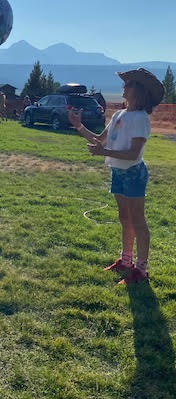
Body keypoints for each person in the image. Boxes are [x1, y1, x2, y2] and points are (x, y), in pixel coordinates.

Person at [68, 68, 164, 285]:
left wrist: (104, 153)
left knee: (138, 220)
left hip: (133, 173)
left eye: (128, 84)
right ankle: (126, 261)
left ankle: (141, 271)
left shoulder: (140, 119)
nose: (124, 86)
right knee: (124, 218)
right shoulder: (119, 115)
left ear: (138, 91)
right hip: (118, 171)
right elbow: (100, 140)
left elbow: (133, 154)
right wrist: (79, 126)